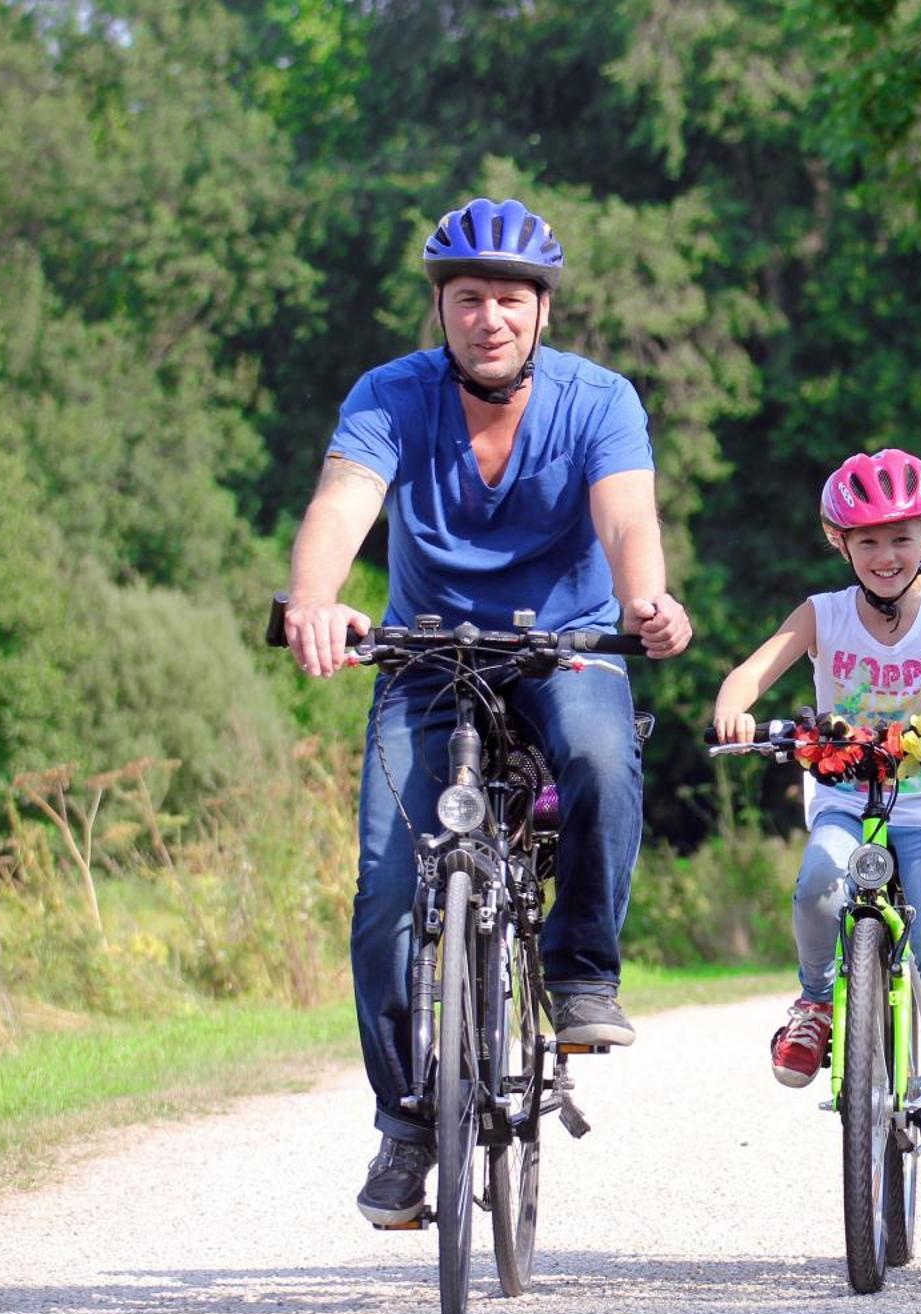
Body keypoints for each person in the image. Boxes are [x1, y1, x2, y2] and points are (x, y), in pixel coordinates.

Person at [281, 197, 692, 1224]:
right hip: (425, 653)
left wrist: (645, 598)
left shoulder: (598, 400)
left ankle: (582, 969)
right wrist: (315, 603)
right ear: (442, 308)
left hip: (566, 644)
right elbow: (341, 503)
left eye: (510, 297)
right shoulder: (390, 395)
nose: (490, 316)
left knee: (600, 760)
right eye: (468, 298)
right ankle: (405, 1120)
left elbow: (625, 513)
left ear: (541, 309)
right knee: (383, 891)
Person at [712, 449, 921, 1193]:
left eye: (901, 537)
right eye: (867, 541)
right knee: (817, 884)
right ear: (840, 544)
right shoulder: (822, 614)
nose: (886, 555)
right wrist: (735, 706)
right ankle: (811, 1002)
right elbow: (749, 673)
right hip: (841, 796)